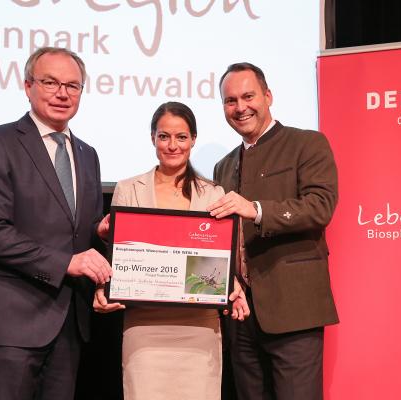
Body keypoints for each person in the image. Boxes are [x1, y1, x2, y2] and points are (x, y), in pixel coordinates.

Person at [0, 47, 112, 400]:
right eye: (50, 82)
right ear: (28, 86)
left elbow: (77, 233)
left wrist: (99, 233)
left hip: (68, 328)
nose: (62, 93)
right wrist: (67, 263)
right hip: (8, 325)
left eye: (72, 86)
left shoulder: (87, 154)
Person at [93, 101, 249, 400]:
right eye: (164, 136)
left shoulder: (213, 193)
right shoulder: (129, 189)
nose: (172, 145)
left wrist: (233, 285)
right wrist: (105, 285)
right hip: (145, 327)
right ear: (153, 138)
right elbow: (122, 257)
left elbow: (218, 261)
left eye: (181, 137)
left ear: (193, 140)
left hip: (199, 328)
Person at [207, 62, 339, 400]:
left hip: (293, 308)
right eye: (230, 100)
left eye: (248, 96)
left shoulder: (307, 143)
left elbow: (320, 205)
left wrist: (257, 209)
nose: (240, 108)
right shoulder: (223, 166)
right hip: (240, 313)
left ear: (268, 97)